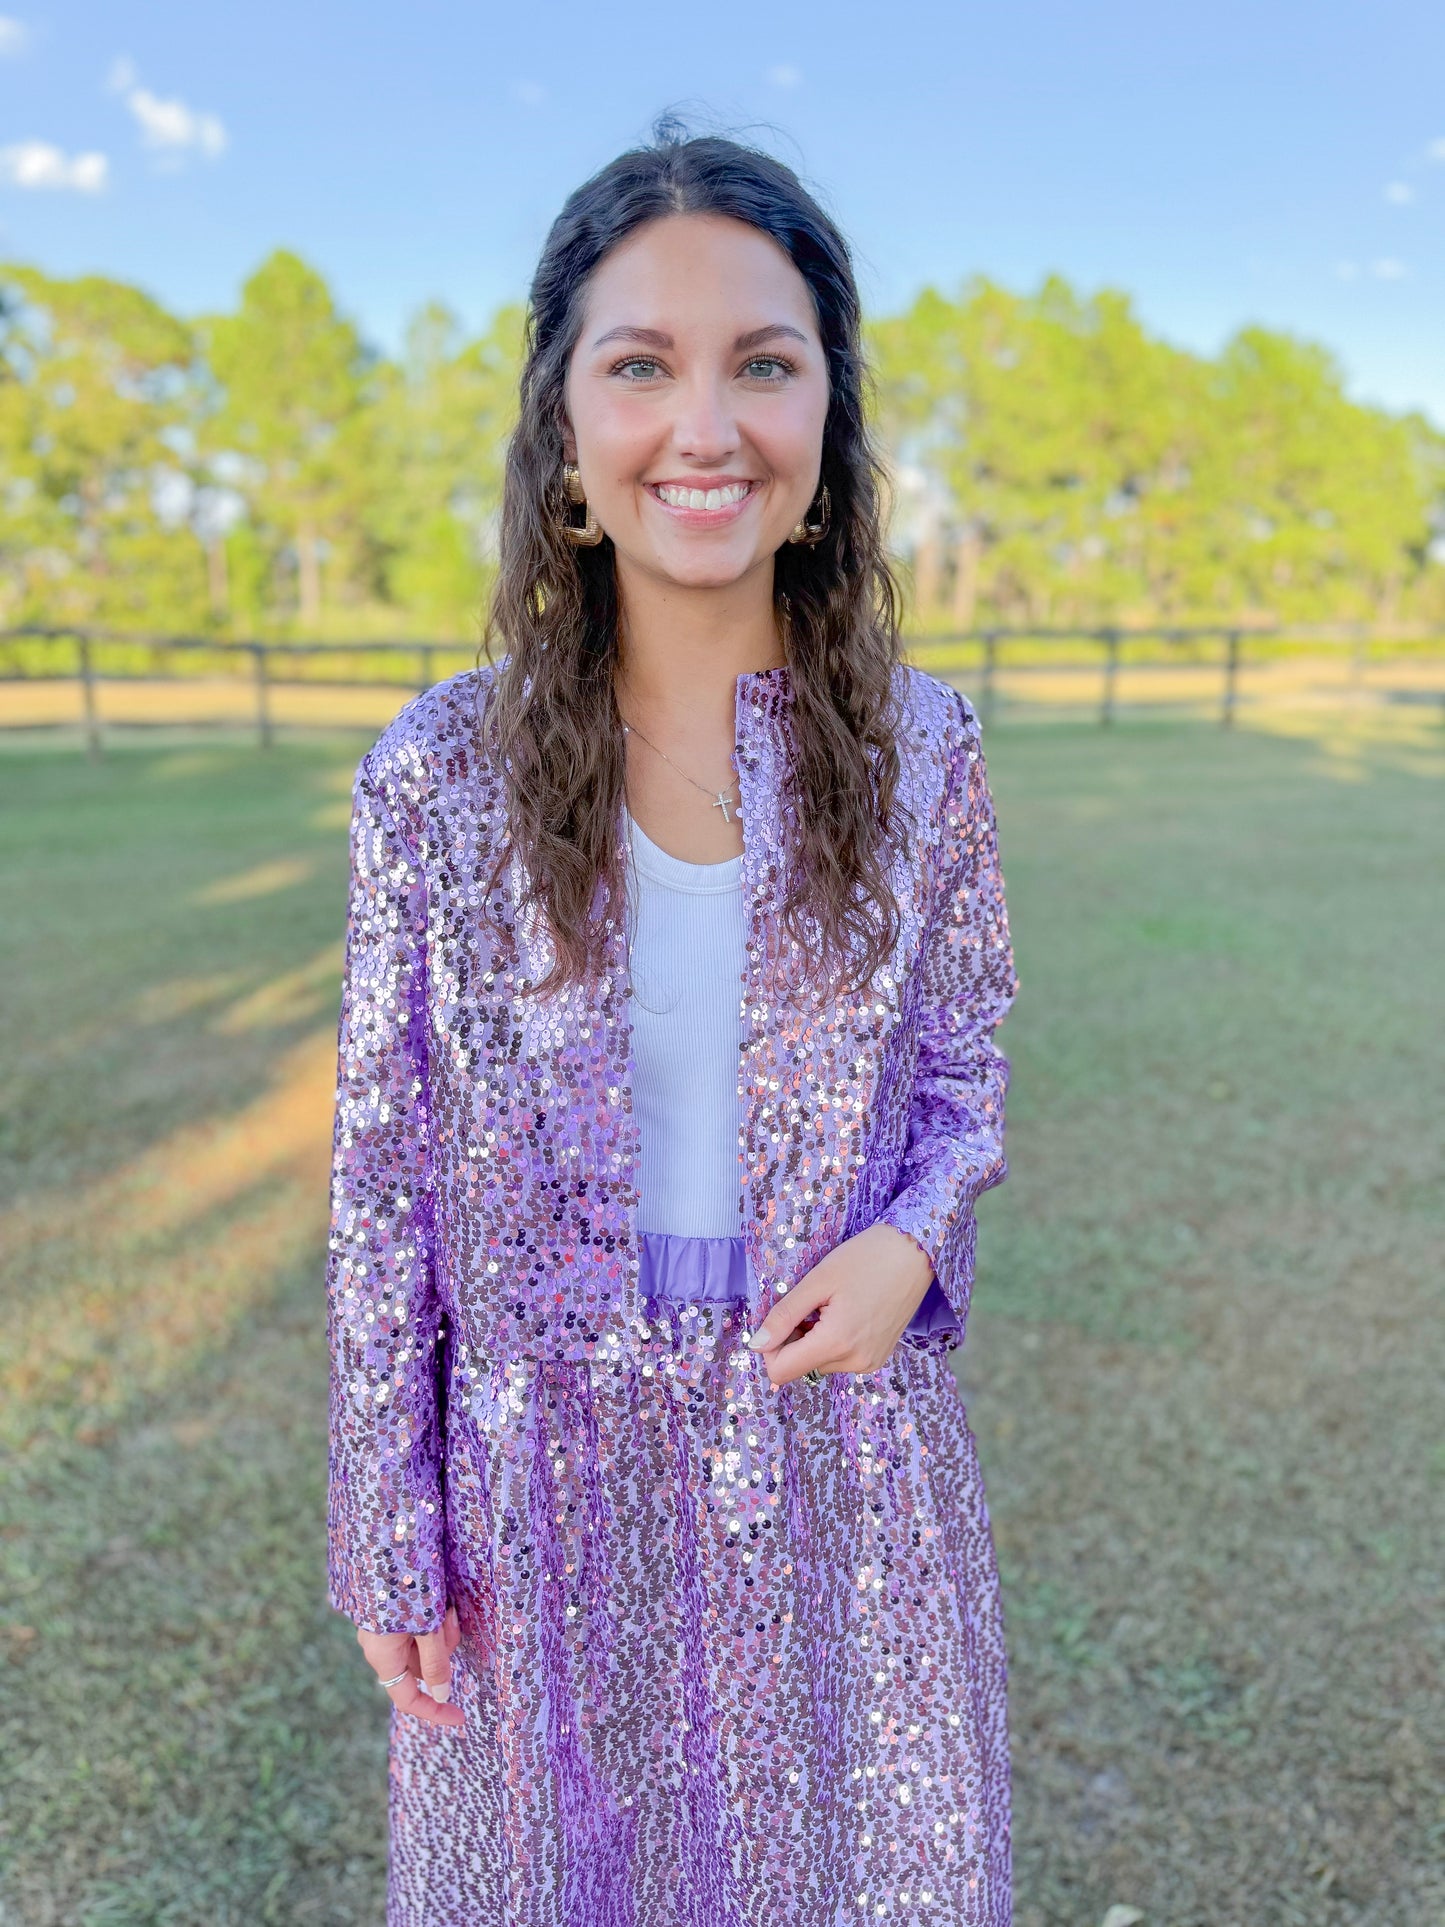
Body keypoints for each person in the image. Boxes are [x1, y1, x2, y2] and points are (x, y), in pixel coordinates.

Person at [326, 117, 1019, 1927]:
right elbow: (383, 1185)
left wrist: (907, 1239)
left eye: (761, 366)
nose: (703, 427)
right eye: (641, 366)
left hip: (845, 1472)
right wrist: (389, 1527)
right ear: (567, 426)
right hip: (538, 1494)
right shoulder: (435, 785)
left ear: (825, 430)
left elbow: (963, 1062)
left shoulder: (927, 758)